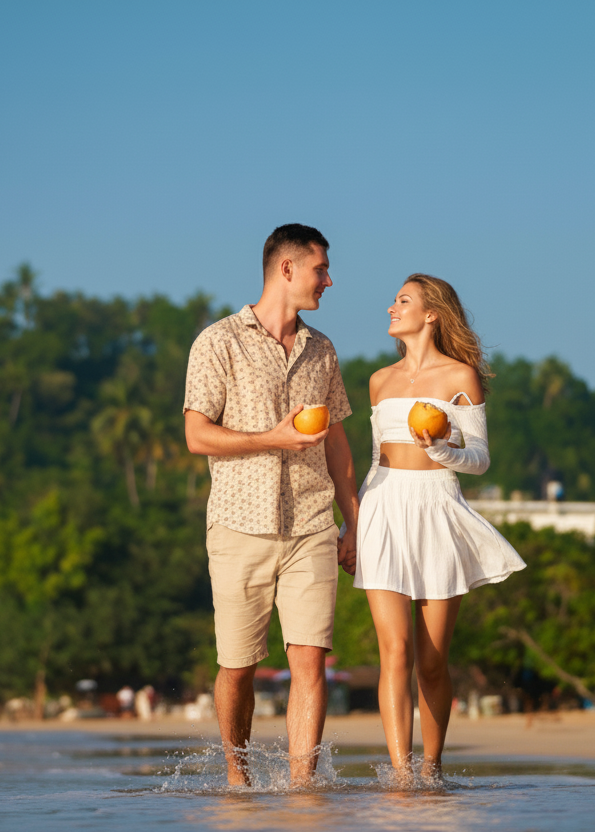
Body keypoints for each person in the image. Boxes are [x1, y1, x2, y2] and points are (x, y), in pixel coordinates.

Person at [183, 223, 359, 787]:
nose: (328, 280)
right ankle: (238, 780)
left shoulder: (322, 350)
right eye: (320, 269)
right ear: (287, 268)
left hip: (311, 523)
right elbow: (196, 435)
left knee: (310, 662)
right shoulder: (218, 342)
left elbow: (336, 440)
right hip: (239, 526)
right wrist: (271, 438)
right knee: (238, 666)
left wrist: (353, 521)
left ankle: (303, 788)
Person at [351, 273, 525, 782]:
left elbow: (480, 459)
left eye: (402, 300)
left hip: (437, 507)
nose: (391, 307)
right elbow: (375, 461)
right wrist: (352, 524)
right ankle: (402, 774)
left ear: (431, 314)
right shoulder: (379, 381)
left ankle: (431, 769)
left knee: (431, 660)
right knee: (394, 652)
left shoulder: (459, 377)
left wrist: (440, 449)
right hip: (383, 508)